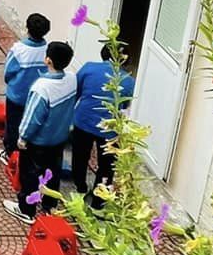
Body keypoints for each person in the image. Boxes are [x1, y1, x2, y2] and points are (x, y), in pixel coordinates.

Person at [11, 42, 80, 221]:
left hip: (39, 142)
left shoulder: (42, 87)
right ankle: (50, 205)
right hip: (60, 137)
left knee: (31, 175)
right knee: (53, 171)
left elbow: (33, 117)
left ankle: (26, 209)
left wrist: (23, 137)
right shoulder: (72, 79)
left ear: (48, 60)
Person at [69, 57, 134, 201]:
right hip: (109, 128)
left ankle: (80, 187)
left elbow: (76, 91)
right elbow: (124, 105)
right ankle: (99, 199)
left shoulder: (88, 68)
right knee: (106, 165)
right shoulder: (129, 81)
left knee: (80, 156)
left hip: (84, 120)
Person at [2, 13, 52, 160]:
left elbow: (8, 72)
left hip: (17, 95)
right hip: (38, 96)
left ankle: (10, 153)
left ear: (27, 28)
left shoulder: (18, 49)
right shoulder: (48, 50)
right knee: (31, 121)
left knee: (13, 124)